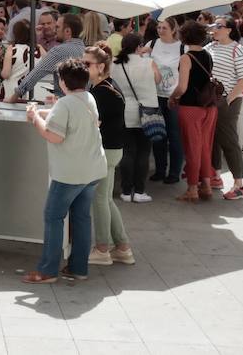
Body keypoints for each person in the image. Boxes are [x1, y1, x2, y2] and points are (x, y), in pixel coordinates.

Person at [21, 57, 108, 284]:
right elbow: (68, 116)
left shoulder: (65, 104)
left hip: (70, 172)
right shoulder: (88, 97)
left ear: (62, 82)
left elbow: (53, 136)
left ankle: (48, 270)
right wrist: (42, 112)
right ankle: (79, 267)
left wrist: (34, 117)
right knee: (81, 218)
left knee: (53, 217)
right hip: (92, 168)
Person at [84, 46, 134, 268]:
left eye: (87, 64)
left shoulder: (102, 91)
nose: (83, 68)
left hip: (106, 150)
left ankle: (103, 249)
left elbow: (91, 122)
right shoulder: (106, 87)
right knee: (105, 198)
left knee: (100, 199)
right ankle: (122, 248)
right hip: (112, 149)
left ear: (100, 67)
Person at [205, 16, 243, 200]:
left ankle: (239, 185)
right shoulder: (210, 47)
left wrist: (228, 100)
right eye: (213, 26)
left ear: (229, 30)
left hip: (228, 101)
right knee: (213, 138)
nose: (214, 29)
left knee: (229, 141)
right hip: (211, 99)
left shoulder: (237, 49)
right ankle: (216, 175)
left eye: (218, 26)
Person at [173, 20, 218, 202]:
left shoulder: (186, 58)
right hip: (210, 107)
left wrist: (173, 97)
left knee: (192, 148)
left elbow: (182, 87)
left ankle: (192, 188)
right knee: (205, 147)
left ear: (184, 37)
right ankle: (206, 185)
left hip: (190, 107)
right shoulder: (208, 55)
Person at [114, 33, 160, 201]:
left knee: (127, 151)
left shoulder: (115, 64)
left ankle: (126, 191)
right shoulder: (148, 63)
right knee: (143, 152)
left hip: (125, 111)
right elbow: (158, 79)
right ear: (139, 47)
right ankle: (139, 191)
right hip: (147, 112)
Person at [10, 13, 86, 102]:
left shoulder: (59, 51)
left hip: (64, 103)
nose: (55, 30)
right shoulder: (86, 51)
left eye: (57, 27)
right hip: (83, 103)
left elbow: (36, 74)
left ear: (67, 31)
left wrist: (14, 97)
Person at [148, 16, 185, 183]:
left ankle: (175, 173)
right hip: (154, 96)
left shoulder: (182, 47)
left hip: (174, 97)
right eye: (159, 27)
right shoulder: (152, 44)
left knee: (174, 136)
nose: (160, 30)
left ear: (173, 30)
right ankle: (160, 170)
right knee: (158, 136)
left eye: (164, 28)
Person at [2, 20, 35, 101]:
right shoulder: (39, 49)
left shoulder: (11, 49)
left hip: (11, 91)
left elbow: (5, 74)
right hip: (33, 91)